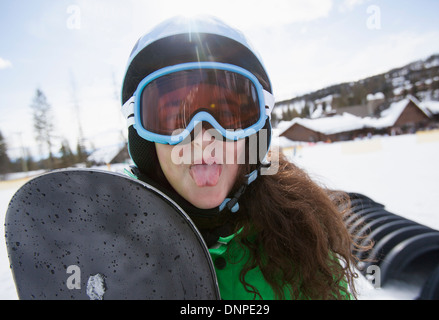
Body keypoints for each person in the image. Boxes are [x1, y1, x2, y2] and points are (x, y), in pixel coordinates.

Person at [121, 15, 360, 300]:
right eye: (175, 117)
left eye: (227, 114)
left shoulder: (302, 235)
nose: (203, 138)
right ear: (145, 142)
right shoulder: (112, 244)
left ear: (254, 135)